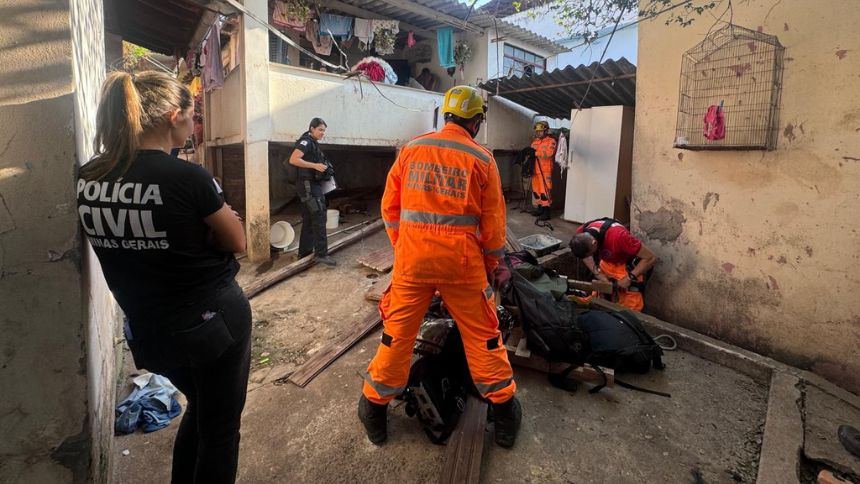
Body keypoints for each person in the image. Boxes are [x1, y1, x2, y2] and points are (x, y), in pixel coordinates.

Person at [77, 71, 250, 484]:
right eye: (193, 115)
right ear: (174, 117)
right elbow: (237, 239)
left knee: (200, 407)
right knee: (221, 429)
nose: (196, 125)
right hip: (211, 322)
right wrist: (208, 232)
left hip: (148, 329)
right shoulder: (186, 177)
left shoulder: (89, 178)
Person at [358, 85, 521, 448]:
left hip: (413, 263)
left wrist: (406, 246)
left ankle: (373, 407)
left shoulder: (411, 149)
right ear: (477, 121)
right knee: (484, 338)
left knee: (396, 337)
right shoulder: (482, 159)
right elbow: (494, 227)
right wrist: (493, 265)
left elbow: (390, 209)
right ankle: (505, 412)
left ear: (445, 115)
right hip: (462, 266)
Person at [569, 218, 657, 311]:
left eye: (590, 254)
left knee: (631, 304)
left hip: (626, 266)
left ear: (594, 243)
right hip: (606, 262)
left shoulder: (619, 237)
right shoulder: (581, 234)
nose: (589, 257)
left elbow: (651, 258)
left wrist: (629, 278)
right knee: (600, 291)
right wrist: (598, 274)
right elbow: (585, 256)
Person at [288, 118, 337, 266]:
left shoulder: (312, 143)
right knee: (319, 216)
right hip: (308, 186)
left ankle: (304, 252)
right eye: (320, 130)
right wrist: (315, 165)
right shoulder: (306, 142)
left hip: (309, 185)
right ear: (312, 128)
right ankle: (321, 254)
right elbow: (294, 159)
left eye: (324, 130)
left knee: (309, 219)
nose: (323, 133)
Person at [530, 121, 556, 221]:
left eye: (541, 131)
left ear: (546, 131)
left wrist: (535, 153)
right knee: (536, 191)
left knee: (545, 191)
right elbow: (531, 153)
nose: (538, 133)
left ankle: (547, 213)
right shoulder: (534, 142)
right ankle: (540, 209)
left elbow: (549, 153)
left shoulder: (551, 141)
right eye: (537, 131)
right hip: (535, 170)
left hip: (545, 171)